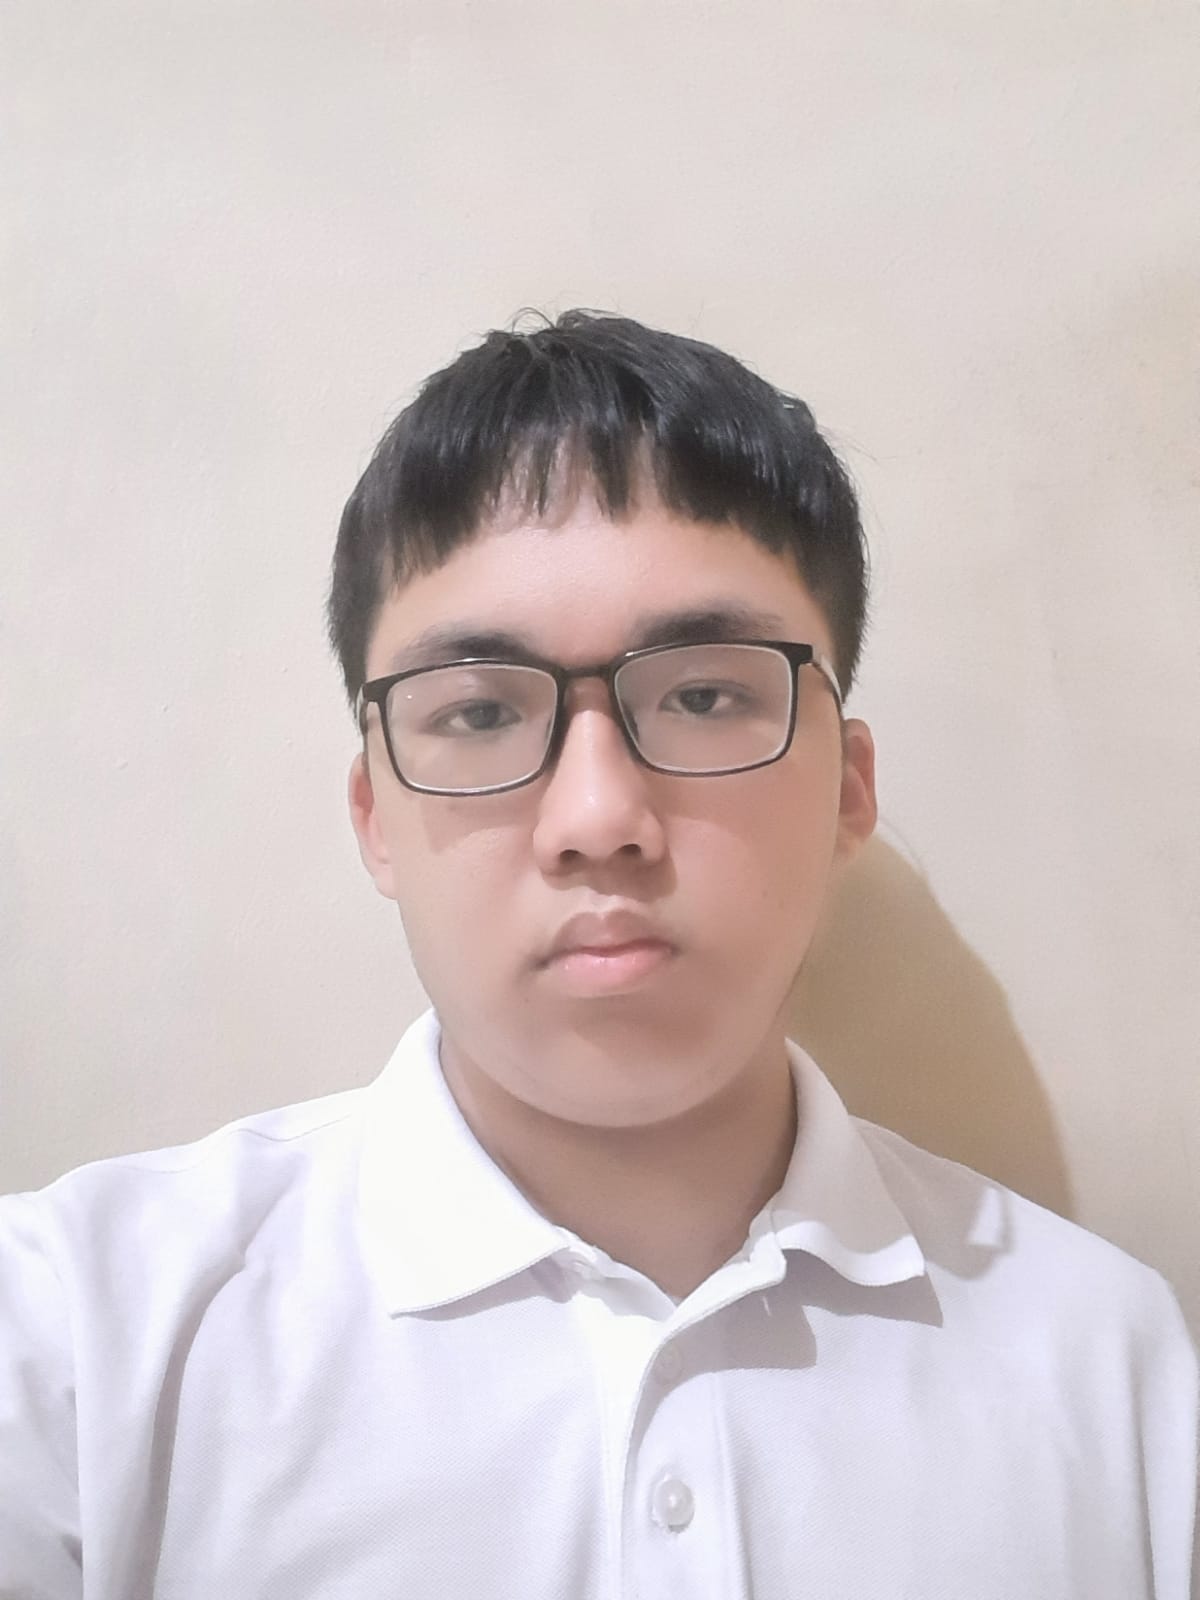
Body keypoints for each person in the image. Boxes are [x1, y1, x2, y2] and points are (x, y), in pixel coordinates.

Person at [1, 311, 1195, 1598]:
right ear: (375, 817)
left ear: (849, 790)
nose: (596, 819)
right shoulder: (72, 1345)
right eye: (478, 711)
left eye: (703, 695)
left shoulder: (1112, 1370)